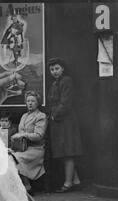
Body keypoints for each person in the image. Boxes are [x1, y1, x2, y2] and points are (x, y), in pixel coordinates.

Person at [47, 57, 82, 192]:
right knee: (63, 151)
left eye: (56, 68)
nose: (54, 71)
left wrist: (54, 115)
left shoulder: (66, 81)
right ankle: (76, 180)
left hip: (66, 120)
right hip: (58, 121)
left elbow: (66, 102)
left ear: (62, 69)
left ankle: (68, 183)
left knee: (67, 151)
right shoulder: (55, 83)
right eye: (52, 69)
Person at [12, 91, 47, 194]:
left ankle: (27, 186)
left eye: (33, 101)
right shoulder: (24, 116)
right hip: (23, 147)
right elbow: (20, 133)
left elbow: (39, 135)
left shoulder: (41, 116)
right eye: (28, 101)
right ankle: (23, 185)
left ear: (38, 103)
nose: (30, 103)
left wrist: (23, 135)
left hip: (36, 149)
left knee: (16, 158)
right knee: (9, 156)